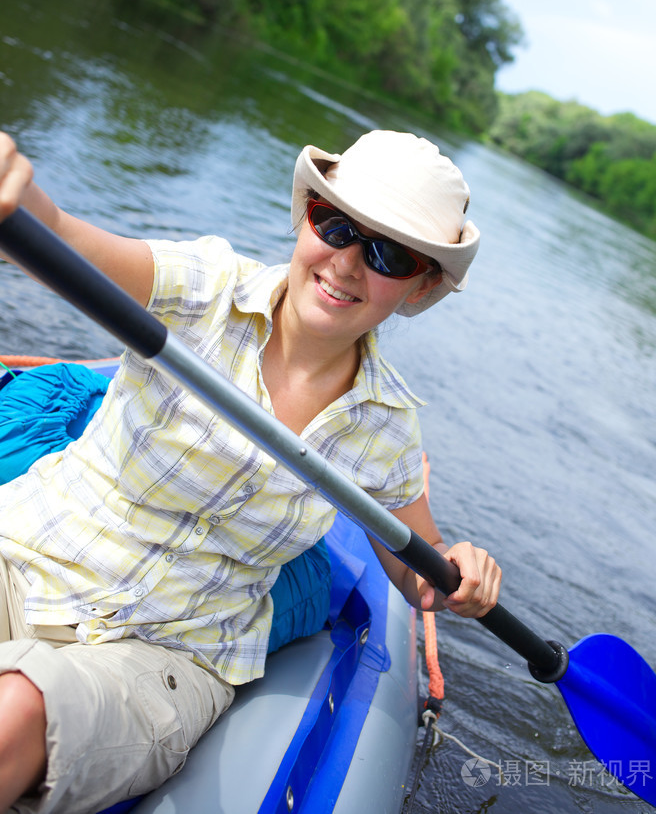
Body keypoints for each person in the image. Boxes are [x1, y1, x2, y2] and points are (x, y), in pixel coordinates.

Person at [0, 127, 501, 814]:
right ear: (306, 217)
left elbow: (419, 567)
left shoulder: (384, 428)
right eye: (336, 225)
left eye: (388, 253)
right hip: (27, 555)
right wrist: (18, 201)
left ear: (419, 285)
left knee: (12, 714)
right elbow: (62, 239)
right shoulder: (205, 286)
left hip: (165, 654)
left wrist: (459, 574)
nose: (348, 263)